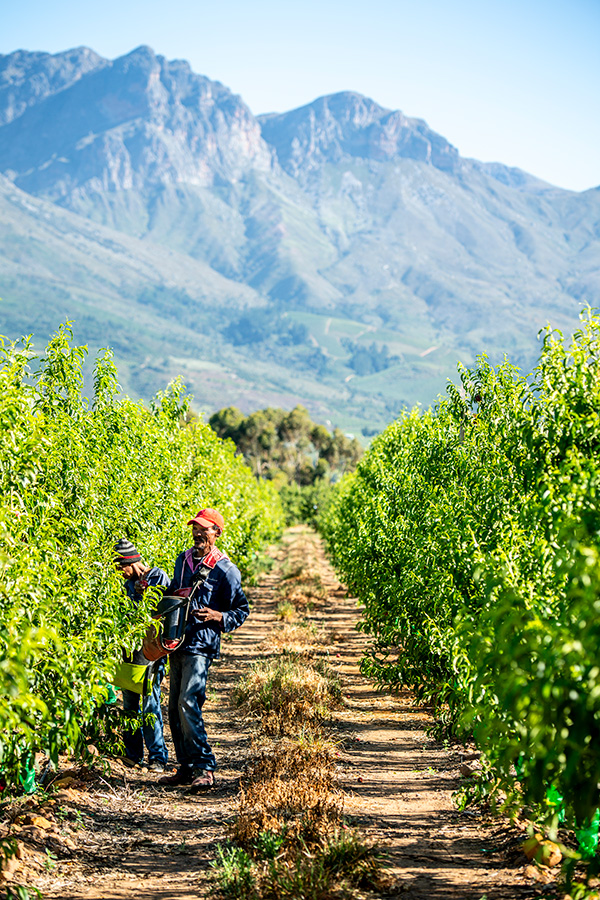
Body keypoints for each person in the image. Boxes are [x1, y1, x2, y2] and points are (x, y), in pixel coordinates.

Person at [158, 508, 249, 791]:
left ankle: (205, 766)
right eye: (195, 528)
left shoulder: (225, 569)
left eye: (204, 529)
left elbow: (241, 609)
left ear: (217, 533)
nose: (198, 533)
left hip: (201, 644)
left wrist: (218, 617)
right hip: (177, 641)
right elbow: (174, 592)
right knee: (174, 707)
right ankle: (185, 766)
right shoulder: (182, 561)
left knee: (188, 701)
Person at [113, 538, 170, 772]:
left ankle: (157, 757)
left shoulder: (156, 576)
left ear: (132, 562)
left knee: (150, 703)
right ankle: (133, 754)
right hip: (130, 654)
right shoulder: (126, 585)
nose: (120, 574)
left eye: (121, 568)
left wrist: (142, 593)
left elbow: (161, 607)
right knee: (129, 704)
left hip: (150, 654)